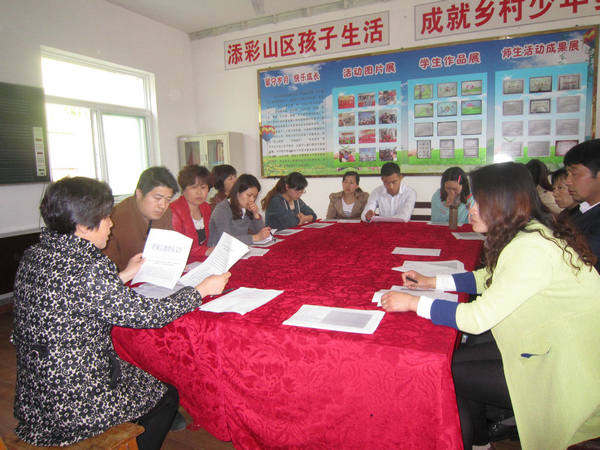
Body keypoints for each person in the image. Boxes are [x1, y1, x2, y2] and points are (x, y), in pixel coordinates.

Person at [380, 162, 600, 450]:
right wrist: (432, 282)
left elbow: (476, 318)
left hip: (564, 368)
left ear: (502, 203)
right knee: (451, 362)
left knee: (446, 372)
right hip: (548, 344)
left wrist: (413, 302)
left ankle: (474, 440)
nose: (470, 208)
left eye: (478, 202)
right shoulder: (527, 234)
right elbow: (489, 277)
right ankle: (481, 439)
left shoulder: (530, 248)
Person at [12, 176, 230, 449]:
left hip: (36, 395)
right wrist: (200, 290)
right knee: (166, 396)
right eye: (105, 217)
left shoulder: (35, 254)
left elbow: (78, 296)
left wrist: (125, 273)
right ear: (82, 226)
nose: (111, 224)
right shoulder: (89, 266)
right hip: (75, 401)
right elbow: (147, 315)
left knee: (140, 376)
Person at [104, 167, 178, 272]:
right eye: (157, 198)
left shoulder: (166, 213)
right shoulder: (115, 219)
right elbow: (109, 268)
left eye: (168, 199)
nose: (163, 205)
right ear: (139, 193)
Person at [564, 139, 600, 272]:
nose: (568, 181)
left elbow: (577, 259)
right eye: (567, 174)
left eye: (574, 174)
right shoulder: (578, 211)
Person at [208, 174, 271, 246]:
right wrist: (255, 237)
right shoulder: (222, 209)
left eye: (255, 196)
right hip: (220, 250)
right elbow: (226, 240)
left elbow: (262, 234)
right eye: (249, 195)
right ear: (237, 192)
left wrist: (256, 215)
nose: (252, 199)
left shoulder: (245, 209)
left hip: (239, 249)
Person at [170, 165, 212, 263]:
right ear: (184, 189)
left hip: (202, 261)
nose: (199, 192)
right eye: (194, 187)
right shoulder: (173, 210)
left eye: (203, 187)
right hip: (182, 262)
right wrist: (206, 251)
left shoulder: (206, 207)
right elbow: (178, 246)